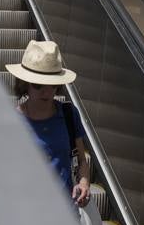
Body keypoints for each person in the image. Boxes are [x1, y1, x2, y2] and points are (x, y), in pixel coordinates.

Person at [6, 40, 91, 208]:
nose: (46, 91)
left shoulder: (68, 114)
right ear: (25, 84)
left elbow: (81, 161)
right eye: (38, 85)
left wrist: (84, 183)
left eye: (52, 85)